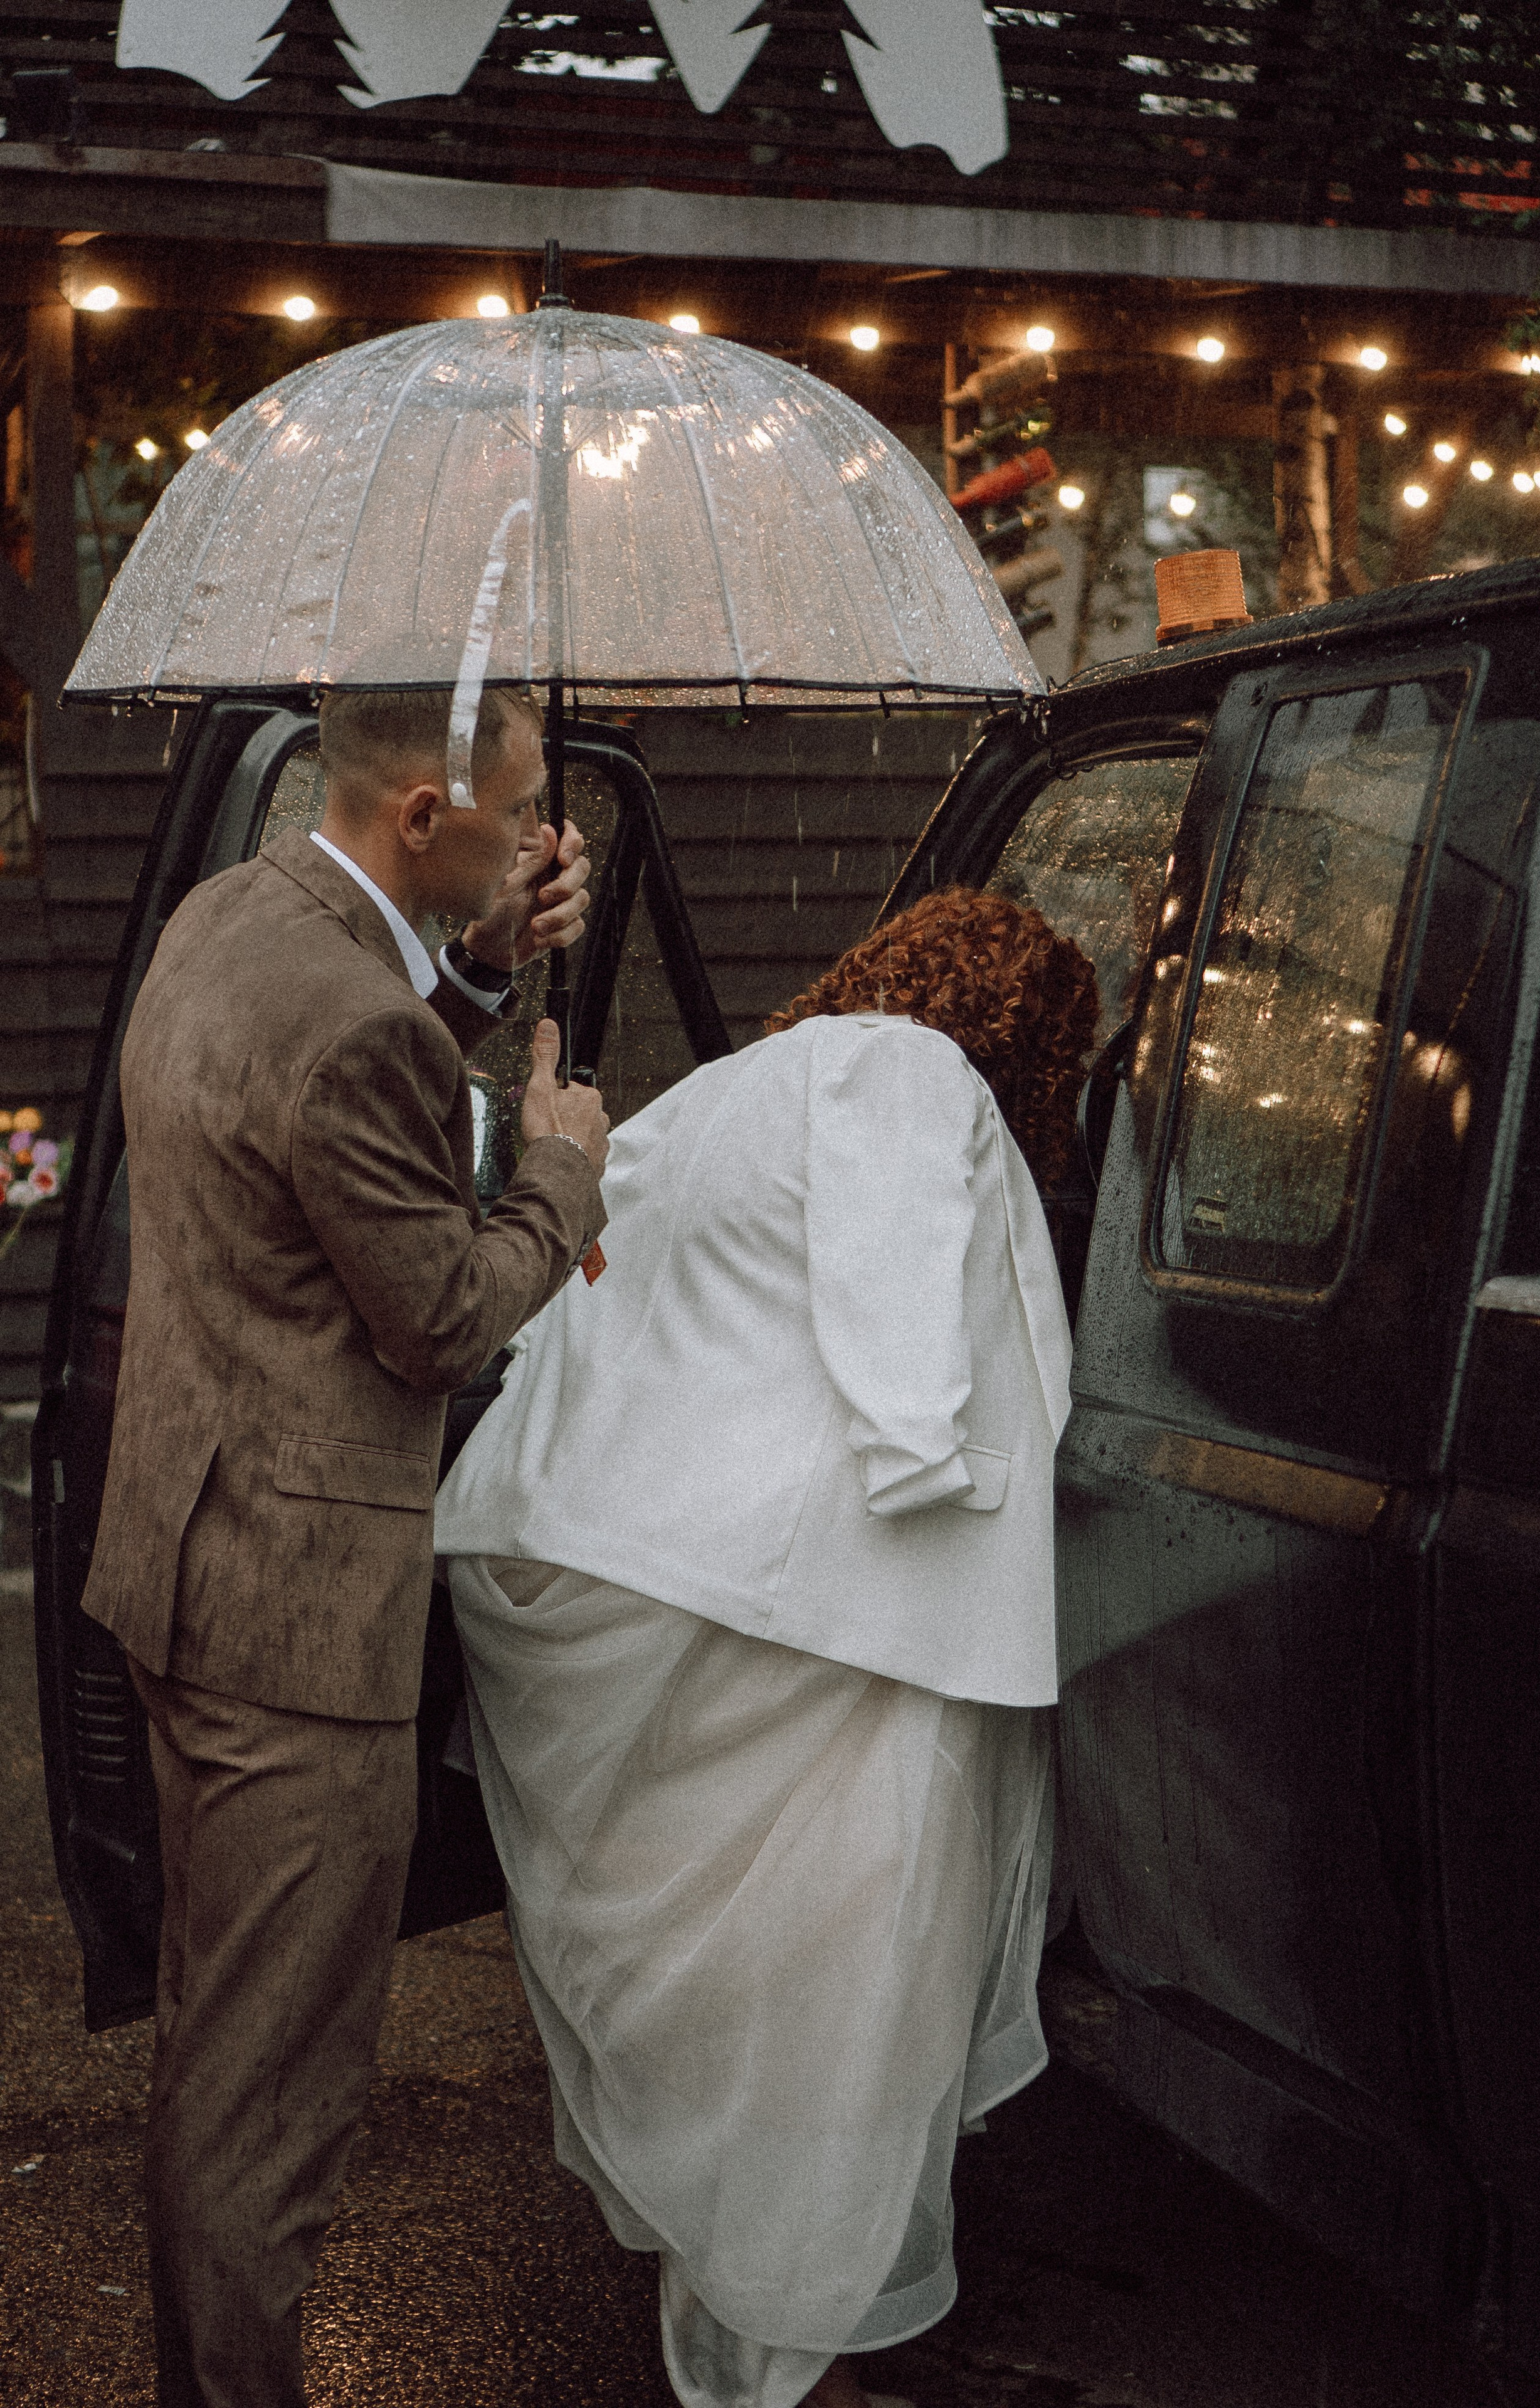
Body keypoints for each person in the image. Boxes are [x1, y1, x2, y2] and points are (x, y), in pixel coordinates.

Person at [436, 887, 1100, 2408]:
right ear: (1023, 1031)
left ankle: (772, 2319)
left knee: (736, 1999)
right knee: (840, 1998)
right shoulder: (904, 1072)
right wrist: (946, 1465)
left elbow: (583, 1296)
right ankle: (796, 2347)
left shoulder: (734, 1086)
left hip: (616, 1581)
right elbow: (899, 1341)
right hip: (799, 1615)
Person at [80, 684, 612, 2408]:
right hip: (301, 1630)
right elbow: (443, 1317)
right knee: (275, 2098)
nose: (542, 841)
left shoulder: (234, 913)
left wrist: (482, 959)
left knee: (210, 2040)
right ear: (416, 816)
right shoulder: (354, 1028)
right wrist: (560, 1173)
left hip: (177, 1560)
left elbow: (339, 1107)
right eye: (519, 816)